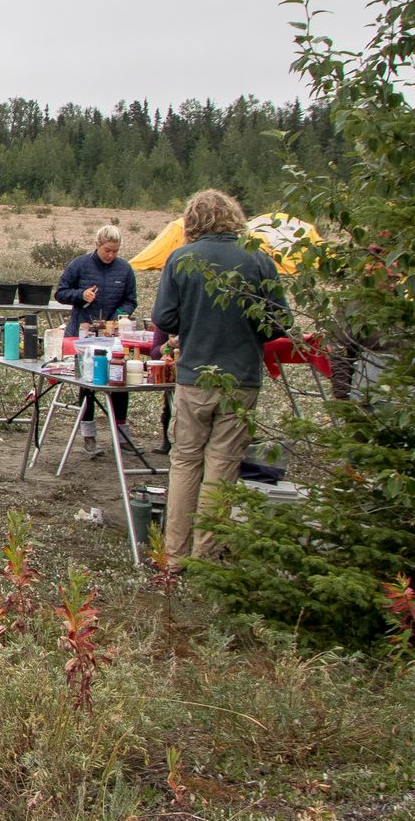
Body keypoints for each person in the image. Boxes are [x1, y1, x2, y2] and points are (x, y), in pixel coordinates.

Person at [152, 188, 288, 563]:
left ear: (192, 221)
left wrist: (193, 322)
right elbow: (280, 322)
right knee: (222, 466)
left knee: (184, 462)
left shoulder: (181, 259)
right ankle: (206, 556)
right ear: (234, 217)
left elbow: (164, 318)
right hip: (240, 379)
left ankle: (175, 555)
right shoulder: (258, 259)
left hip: (194, 377)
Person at [54, 223, 139, 458]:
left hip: (112, 337)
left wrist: (118, 316)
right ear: (97, 245)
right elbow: (60, 293)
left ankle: (122, 435)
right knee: (87, 384)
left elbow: (131, 300)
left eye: (115, 251)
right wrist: (80, 295)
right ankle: (89, 436)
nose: (111, 255)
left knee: (119, 381)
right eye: (107, 250)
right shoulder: (79, 265)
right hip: (82, 335)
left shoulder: (125, 269)